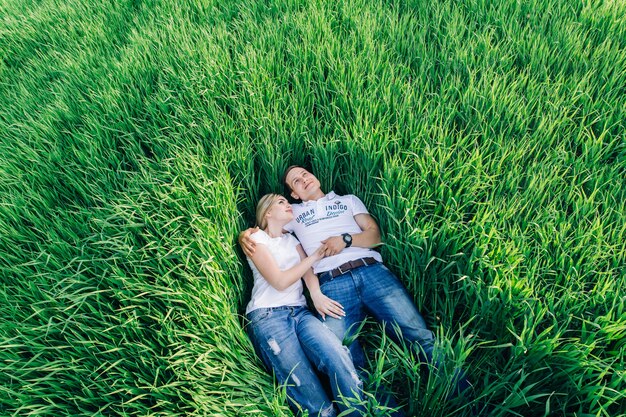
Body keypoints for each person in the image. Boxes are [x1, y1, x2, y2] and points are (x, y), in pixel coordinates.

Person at [240, 166, 471, 401]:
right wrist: (246, 235)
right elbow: (269, 228)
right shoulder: (294, 213)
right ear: (295, 195)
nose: (304, 179)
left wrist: (346, 240)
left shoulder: (348, 201)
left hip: (372, 271)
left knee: (419, 336)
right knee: (345, 357)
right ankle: (382, 411)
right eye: (296, 181)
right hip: (332, 284)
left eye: (305, 173)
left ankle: (465, 399)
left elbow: (375, 235)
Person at [244, 193, 366, 417]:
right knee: (303, 385)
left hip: (300, 313)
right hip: (268, 317)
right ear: (268, 212)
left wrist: (316, 293)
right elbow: (280, 281)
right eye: (281, 202)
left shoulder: (292, 240)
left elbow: (307, 271)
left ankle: (358, 412)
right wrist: (315, 255)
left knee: (337, 355)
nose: (288, 204)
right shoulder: (255, 239)